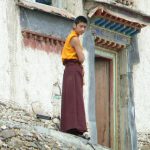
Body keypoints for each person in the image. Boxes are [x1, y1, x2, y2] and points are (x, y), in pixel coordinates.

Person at [60, 16, 88, 137]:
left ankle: (69, 126)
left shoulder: (71, 37)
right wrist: (82, 57)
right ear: (74, 26)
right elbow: (81, 58)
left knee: (71, 95)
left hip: (69, 69)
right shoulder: (75, 39)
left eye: (85, 27)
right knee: (75, 96)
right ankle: (76, 127)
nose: (83, 29)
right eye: (81, 26)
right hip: (73, 68)